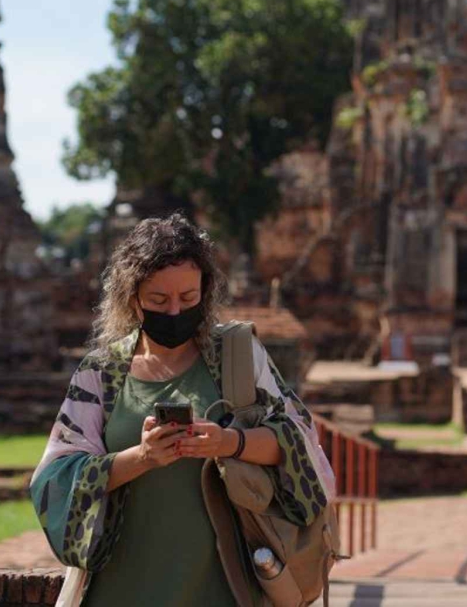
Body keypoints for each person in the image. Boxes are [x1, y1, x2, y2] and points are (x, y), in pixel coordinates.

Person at [29, 214, 335, 607]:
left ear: (204, 293)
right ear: (132, 297)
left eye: (188, 299)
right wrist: (142, 457)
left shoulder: (238, 357)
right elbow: (53, 480)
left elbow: (301, 443)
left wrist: (230, 442)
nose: (175, 311)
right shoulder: (100, 374)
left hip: (226, 586)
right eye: (159, 300)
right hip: (122, 588)